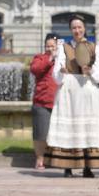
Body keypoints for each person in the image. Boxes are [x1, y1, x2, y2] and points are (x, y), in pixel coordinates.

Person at [45, 15, 99, 177]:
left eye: (79, 27)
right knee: (71, 127)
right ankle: (67, 166)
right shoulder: (63, 48)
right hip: (69, 91)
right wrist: (60, 71)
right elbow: (56, 74)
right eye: (74, 28)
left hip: (88, 91)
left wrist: (91, 71)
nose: (77, 30)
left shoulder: (95, 48)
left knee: (87, 129)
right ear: (70, 30)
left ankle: (88, 167)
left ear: (85, 28)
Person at [30, 33, 60, 170]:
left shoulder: (62, 60)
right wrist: (50, 58)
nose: (50, 48)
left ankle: (59, 160)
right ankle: (40, 159)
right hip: (42, 102)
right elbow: (35, 69)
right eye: (47, 46)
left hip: (60, 102)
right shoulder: (40, 58)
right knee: (40, 133)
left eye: (53, 46)